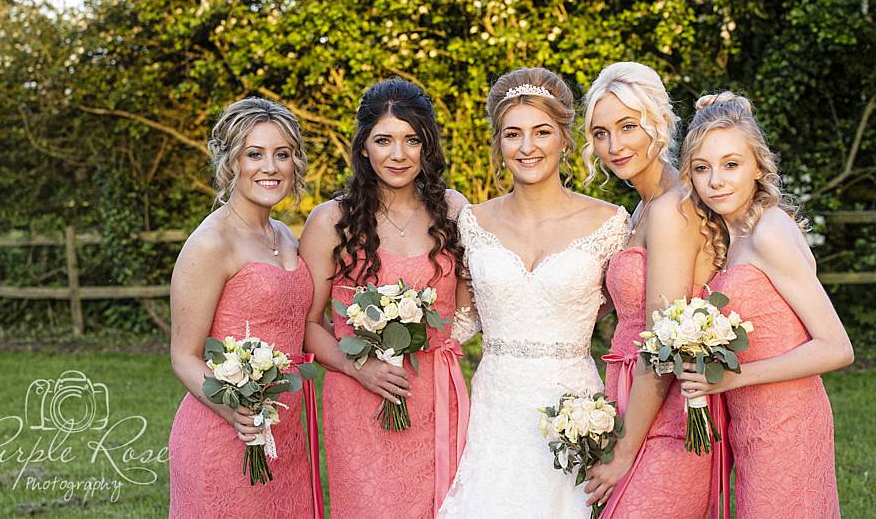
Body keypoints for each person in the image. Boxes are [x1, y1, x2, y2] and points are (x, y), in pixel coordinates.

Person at [438, 67, 630, 519]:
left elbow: (628, 312)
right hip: (496, 407)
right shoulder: (472, 223)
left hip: (574, 407)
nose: (527, 147)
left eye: (542, 131)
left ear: (565, 139)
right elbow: (462, 320)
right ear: (498, 143)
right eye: (513, 134)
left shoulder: (611, 223)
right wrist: (389, 330)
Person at [677, 91, 853, 518]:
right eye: (702, 168)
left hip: (789, 422)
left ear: (758, 165)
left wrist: (733, 378)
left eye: (731, 164)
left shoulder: (769, 232)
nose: (716, 180)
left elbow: (837, 347)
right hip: (749, 423)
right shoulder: (732, 236)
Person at [300, 78, 469, 518]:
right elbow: (308, 324)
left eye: (411, 140)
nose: (398, 155)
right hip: (357, 395)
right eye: (384, 141)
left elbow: (473, 305)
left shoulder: (453, 211)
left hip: (434, 392)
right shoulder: (329, 221)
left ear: (426, 147)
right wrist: (362, 366)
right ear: (363, 147)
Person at [169, 97, 322, 518]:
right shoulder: (210, 244)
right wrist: (234, 410)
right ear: (231, 162)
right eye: (254, 154)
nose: (269, 167)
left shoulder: (287, 235)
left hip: (287, 433)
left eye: (282, 154)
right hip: (225, 433)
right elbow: (183, 355)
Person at [578, 62, 717, 517]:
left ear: (658, 123)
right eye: (601, 133)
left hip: (669, 415)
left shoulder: (673, 207)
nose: (614, 145)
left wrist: (622, 454)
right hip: (633, 402)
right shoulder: (642, 208)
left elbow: (663, 346)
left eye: (628, 127)